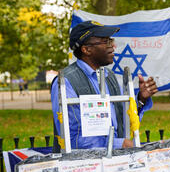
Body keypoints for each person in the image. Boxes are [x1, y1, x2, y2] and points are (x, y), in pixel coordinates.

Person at [51, 20, 158, 151]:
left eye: (111, 41)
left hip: (115, 163)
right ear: (86, 49)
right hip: (80, 166)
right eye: (105, 41)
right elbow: (71, 138)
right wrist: (118, 144)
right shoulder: (65, 82)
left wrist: (141, 99)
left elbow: (122, 124)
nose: (113, 46)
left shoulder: (109, 76)